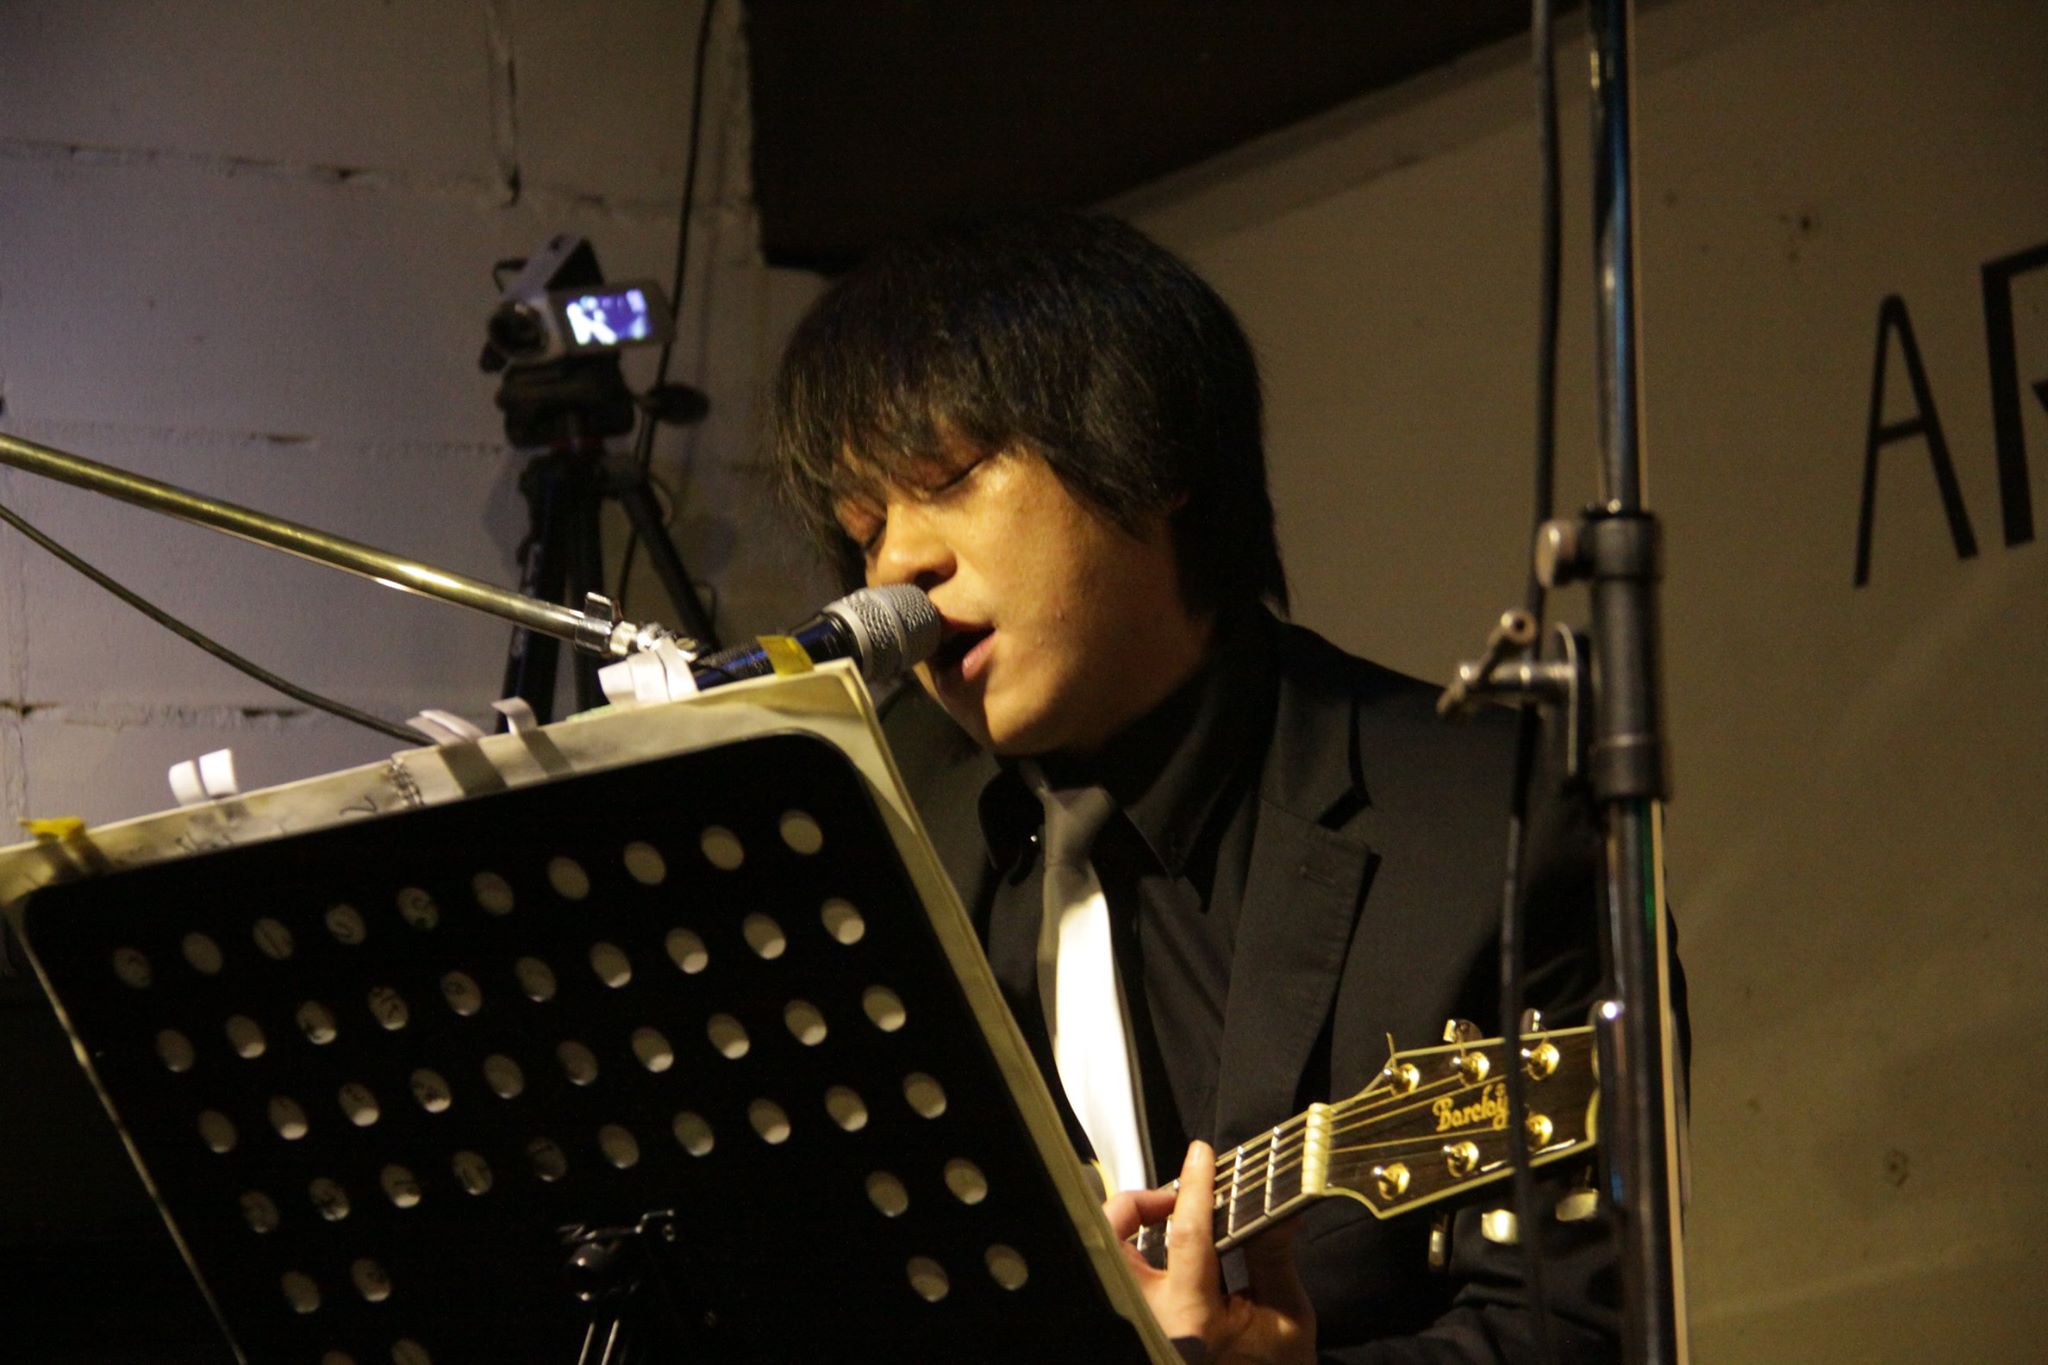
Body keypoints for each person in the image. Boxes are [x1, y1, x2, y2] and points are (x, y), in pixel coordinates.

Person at [771, 211, 1632, 1363]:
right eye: (864, 530)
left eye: (951, 479)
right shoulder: (869, 828)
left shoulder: (1493, 820)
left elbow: (1577, 1332)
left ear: (1151, 452)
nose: (895, 570)